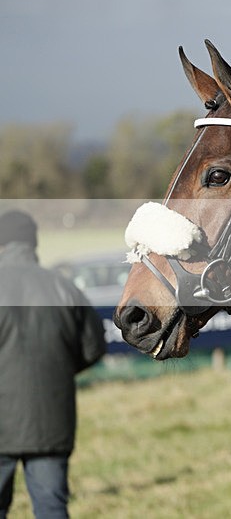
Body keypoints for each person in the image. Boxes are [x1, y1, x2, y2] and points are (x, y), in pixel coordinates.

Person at [0, 210, 107, 519]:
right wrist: (57, 369)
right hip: (50, 420)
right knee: (51, 508)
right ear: (33, 244)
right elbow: (93, 347)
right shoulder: (65, 288)